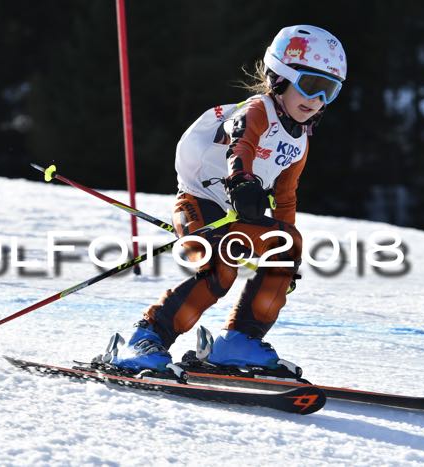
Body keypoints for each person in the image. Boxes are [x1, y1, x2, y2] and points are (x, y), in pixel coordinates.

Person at [99, 25, 347, 373]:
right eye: (311, 86)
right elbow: (240, 145)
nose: (317, 100)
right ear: (281, 77)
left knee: (287, 246)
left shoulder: (300, 142)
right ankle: (146, 338)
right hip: (198, 199)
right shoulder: (257, 110)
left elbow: (286, 198)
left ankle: (239, 342)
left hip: (234, 209)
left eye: (329, 91)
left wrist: (282, 252)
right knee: (220, 264)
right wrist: (242, 181)